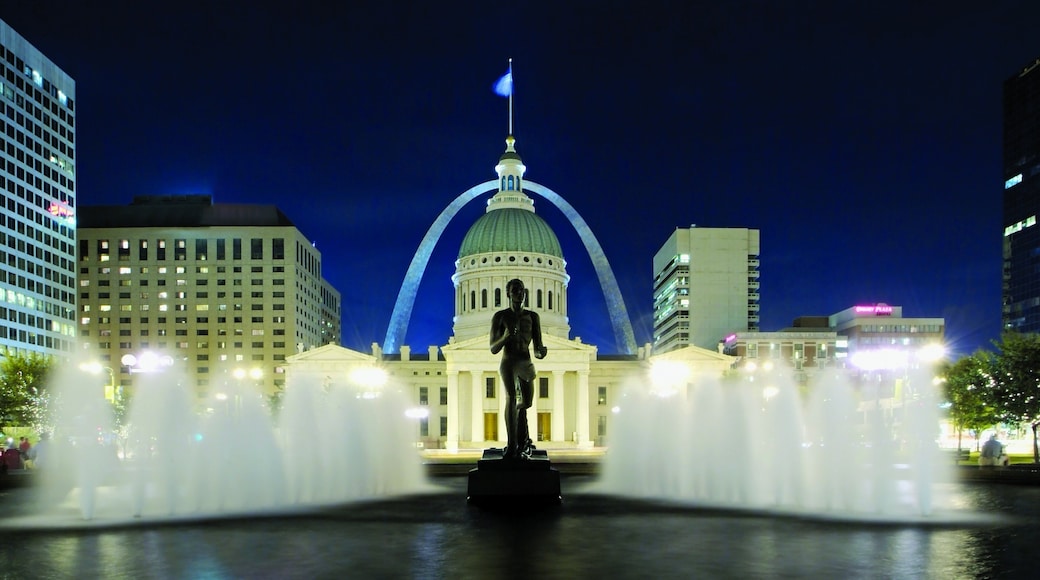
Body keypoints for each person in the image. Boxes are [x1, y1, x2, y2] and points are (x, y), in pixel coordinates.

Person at [490, 278, 547, 459]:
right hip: (509, 361)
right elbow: (493, 348)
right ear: (508, 293)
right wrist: (506, 337)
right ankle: (512, 446)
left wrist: (541, 353)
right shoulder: (500, 316)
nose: (519, 293)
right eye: (515, 290)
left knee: (525, 404)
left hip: (525, 361)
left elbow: (538, 347)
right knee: (512, 399)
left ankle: (523, 442)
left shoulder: (533, 317)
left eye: (521, 290)